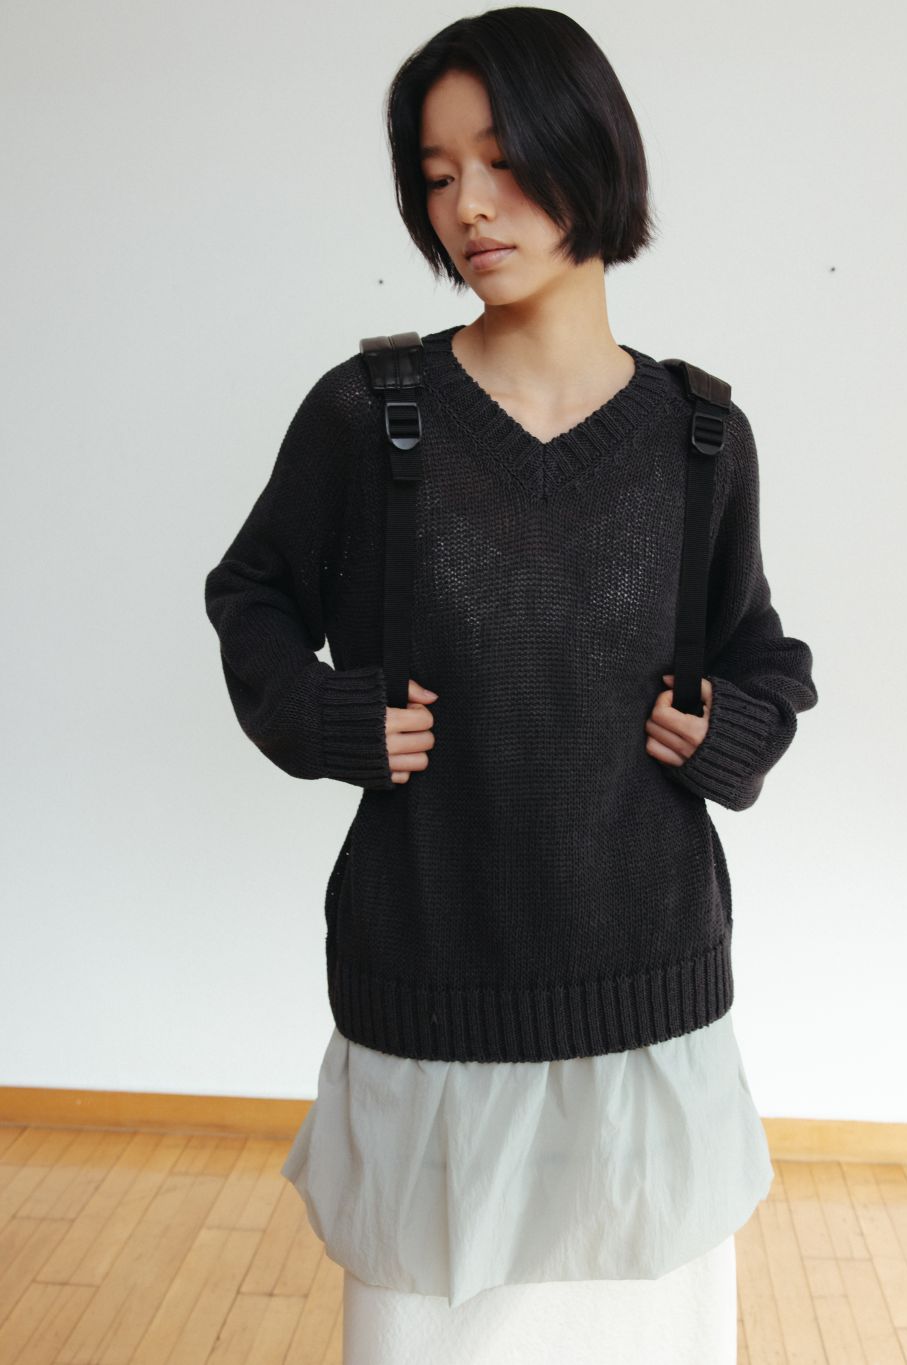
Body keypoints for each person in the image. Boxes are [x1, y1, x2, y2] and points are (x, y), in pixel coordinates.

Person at [204, 8, 818, 1362]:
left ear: (590, 151)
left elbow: (764, 654)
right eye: (436, 176)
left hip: (644, 1002)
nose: (468, 206)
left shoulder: (700, 436)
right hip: (430, 987)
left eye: (500, 158)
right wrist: (327, 717)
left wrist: (728, 732)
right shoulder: (374, 417)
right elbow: (250, 594)